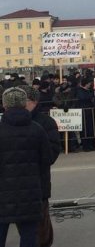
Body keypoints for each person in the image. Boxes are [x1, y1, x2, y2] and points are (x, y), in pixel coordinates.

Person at [0, 87, 51, 247]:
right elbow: (46, 161)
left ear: (4, 105)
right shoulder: (37, 129)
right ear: (24, 104)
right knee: (29, 237)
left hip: (2, 194)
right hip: (31, 192)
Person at [20, 85, 60, 247]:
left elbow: (51, 153)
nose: (22, 105)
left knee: (40, 226)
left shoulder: (45, 122)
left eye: (25, 101)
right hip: (13, 184)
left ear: (34, 102)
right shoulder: (8, 122)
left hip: (38, 182)